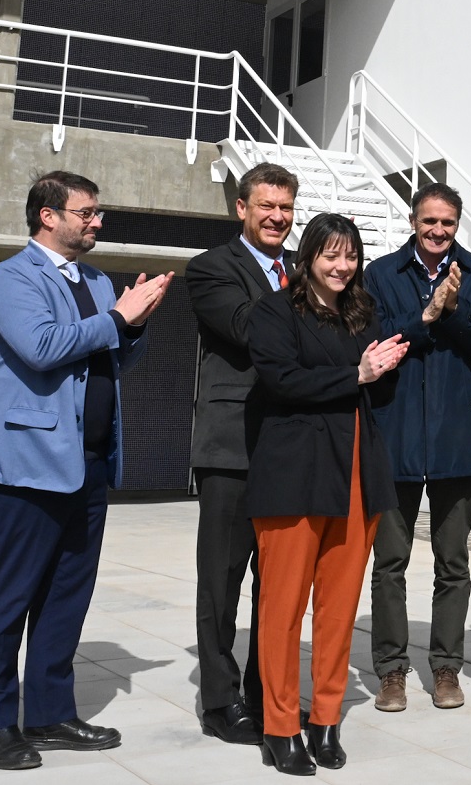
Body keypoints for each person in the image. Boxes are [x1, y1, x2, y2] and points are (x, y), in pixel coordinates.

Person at [0, 171, 172, 772]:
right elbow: (44, 347)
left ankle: (50, 713)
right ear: (47, 216)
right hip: (24, 468)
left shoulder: (99, 281)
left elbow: (112, 356)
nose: (96, 222)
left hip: (88, 464)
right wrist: (118, 317)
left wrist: (136, 321)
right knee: (7, 600)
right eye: (85, 212)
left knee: (65, 598)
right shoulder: (11, 277)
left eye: (97, 212)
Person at [246, 212, 408, 776]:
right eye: (331, 256)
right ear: (308, 256)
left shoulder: (362, 313)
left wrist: (382, 370)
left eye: (351, 256)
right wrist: (358, 374)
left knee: (338, 612)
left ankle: (326, 719)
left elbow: (373, 387)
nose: (342, 267)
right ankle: (281, 725)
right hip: (295, 474)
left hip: (358, 471)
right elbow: (281, 381)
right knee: (283, 611)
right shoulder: (274, 311)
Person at [362, 182, 471, 714]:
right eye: (429, 222)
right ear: (413, 221)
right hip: (393, 437)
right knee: (390, 562)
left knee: (453, 563)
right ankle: (392, 671)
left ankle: (446, 668)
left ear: (458, 224)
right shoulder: (381, 274)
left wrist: (453, 306)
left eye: (447, 223)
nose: (438, 231)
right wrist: (425, 317)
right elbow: (371, 336)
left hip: (453, 441)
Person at [184, 161, 297, 746]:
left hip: (291, 451)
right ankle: (220, 700)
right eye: (266, 206)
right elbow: (249, 327)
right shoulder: (211, 269)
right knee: (222, 583)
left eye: (285, 207)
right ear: (242, 210)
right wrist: (309, 300)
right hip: (232, 449)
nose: (276, 217)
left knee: (277, 584)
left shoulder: (300, 271)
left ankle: (264, 690)